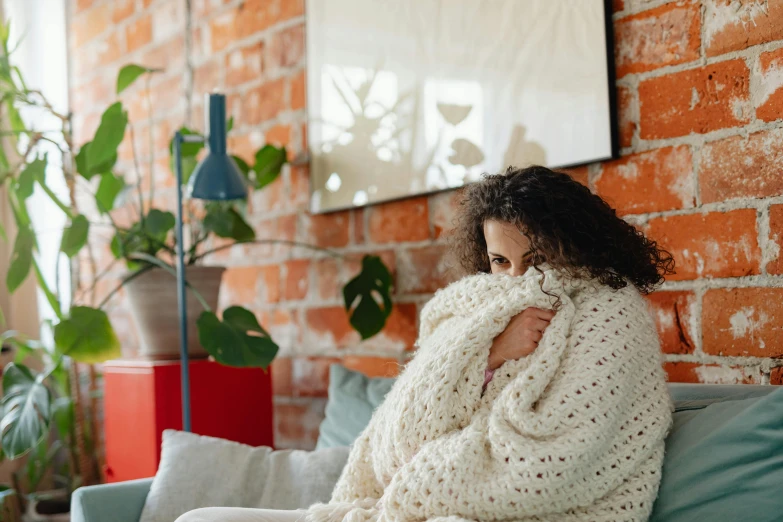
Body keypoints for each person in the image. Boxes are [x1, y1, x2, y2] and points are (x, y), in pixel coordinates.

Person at [177, 165, 675, 522]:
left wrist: (422, 480)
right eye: (501, 262)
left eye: (539, 256)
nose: (518, 277)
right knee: (198, 519)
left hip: (528, 510)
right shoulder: (478, 313)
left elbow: (549, 463)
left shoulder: (610, 310)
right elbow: (397, 439)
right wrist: (492, 352)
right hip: (413, 505)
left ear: (576, 244)